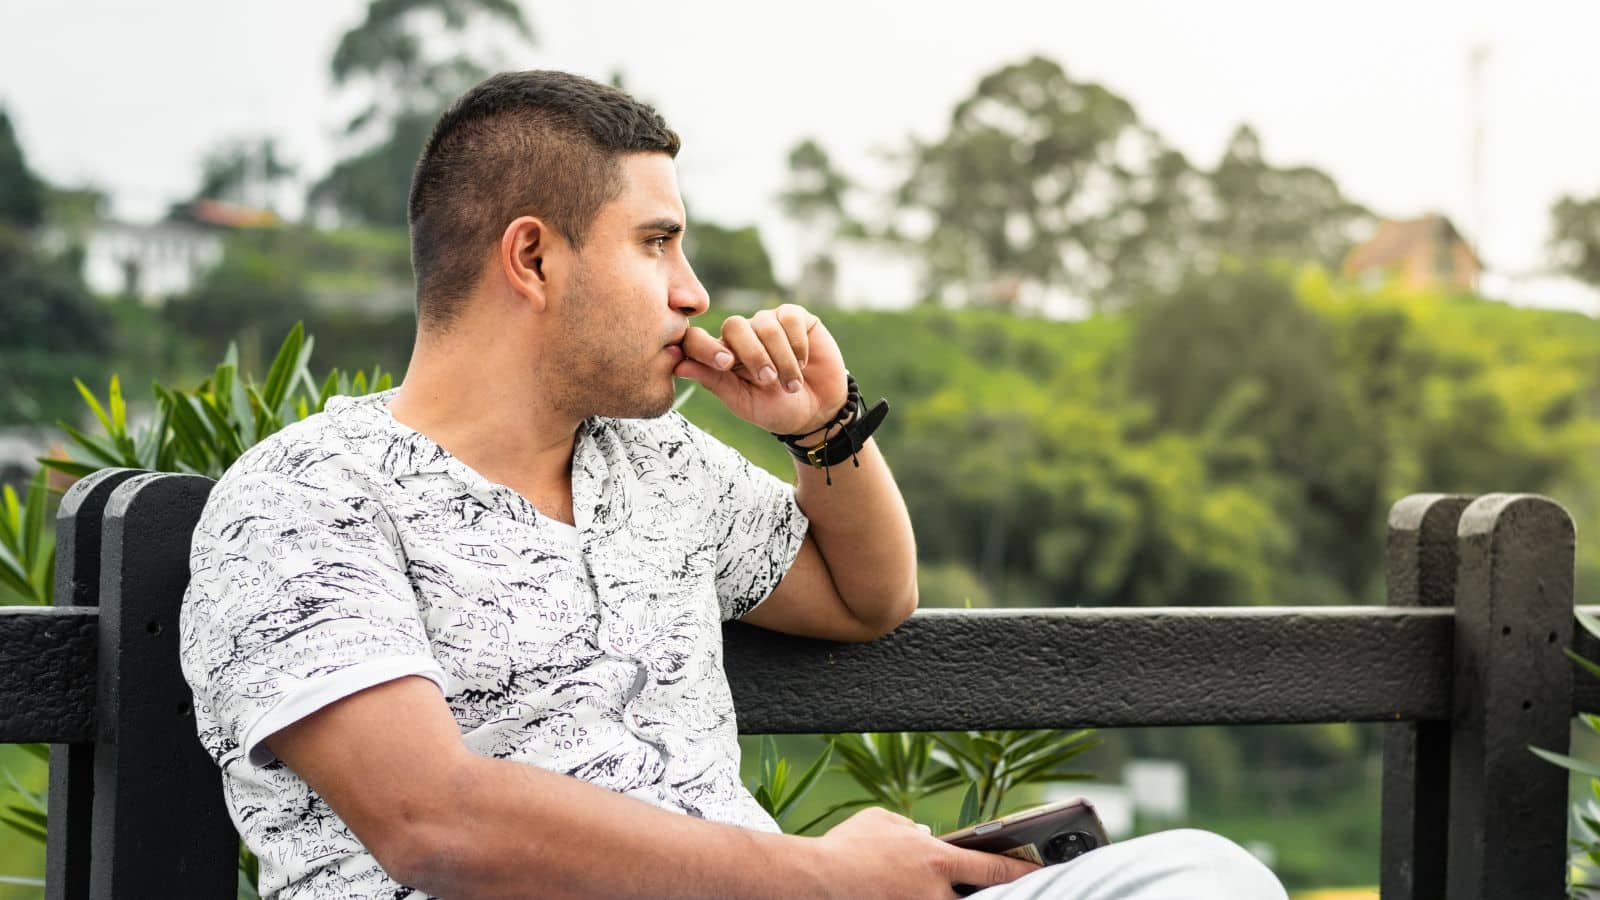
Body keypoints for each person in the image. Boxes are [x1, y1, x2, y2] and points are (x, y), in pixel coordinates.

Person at [179, 69, 1288, 899]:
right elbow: (433, 822)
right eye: (656, 244)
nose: (693, 293)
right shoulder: (305, 498)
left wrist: (823, 431)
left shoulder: (652, 466)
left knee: (1198, 873)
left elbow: (867, 601)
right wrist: (819, 875)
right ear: (532, 259)